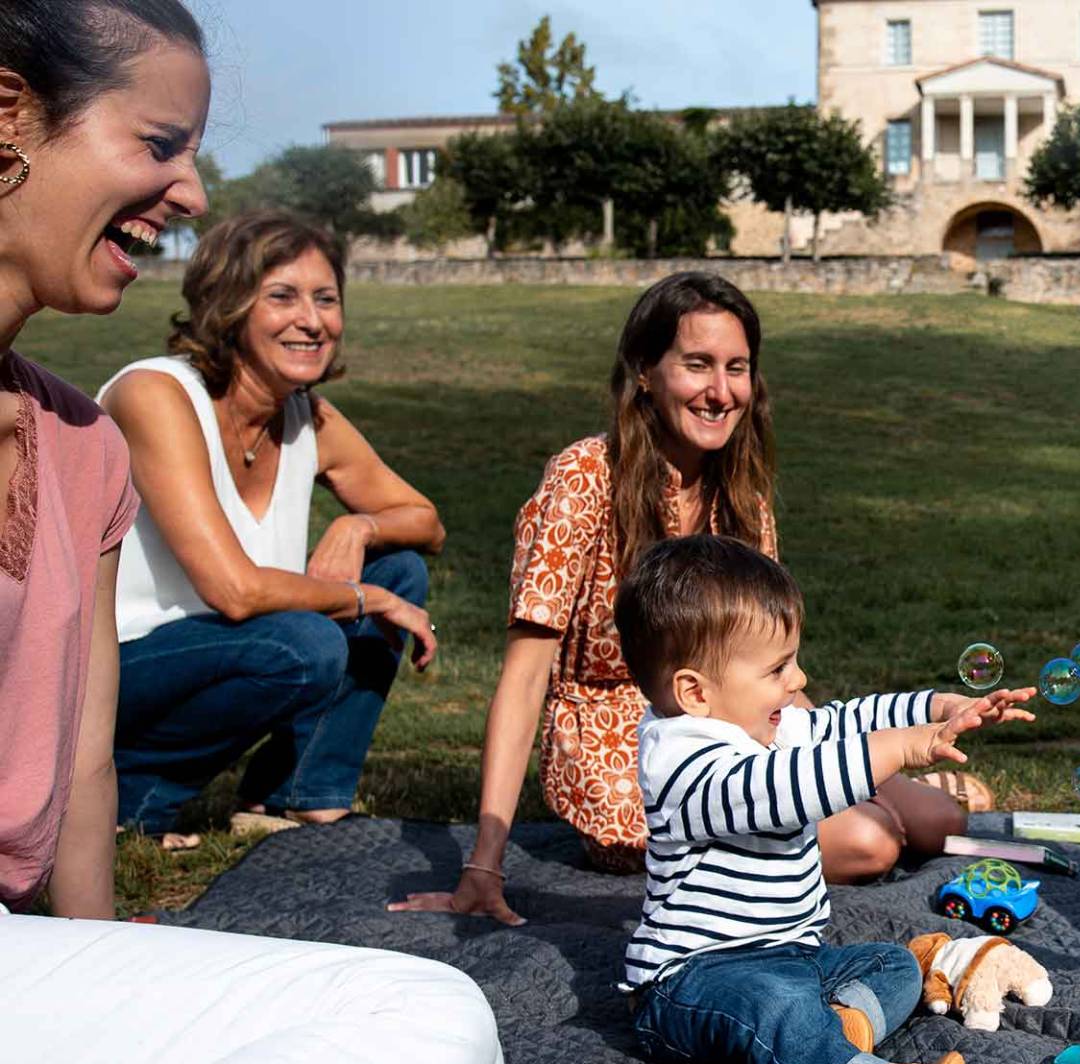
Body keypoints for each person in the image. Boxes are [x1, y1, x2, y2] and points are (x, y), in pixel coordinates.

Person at [0, 5, 504, 1064]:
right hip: (204, 661)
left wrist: (104, 972)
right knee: (418, 1022)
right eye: (160, 141)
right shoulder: (148, 406)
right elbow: (229, 593)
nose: (194, 187)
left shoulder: (71, 445)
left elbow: (76, 765)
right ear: (7, 119)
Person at [389, 272, 975, 928]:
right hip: (629, 747)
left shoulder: (743, 497)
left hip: (740, 721)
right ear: (645, 371)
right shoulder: (585, 476)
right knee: (871, 841)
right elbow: (525, 679)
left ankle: (864, 799)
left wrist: (847, 751)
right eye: (696, 365)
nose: (720, 392)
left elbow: (769, 666)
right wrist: (483, 864)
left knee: (937, 821)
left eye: (737, 369)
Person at [613, 533, 1037, 1064]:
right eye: (778, 669)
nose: (799, 680)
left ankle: (843, 1031)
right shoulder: (683, 765)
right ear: (696, 693)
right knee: (773, 1007)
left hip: (792, 955)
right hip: (693, 981)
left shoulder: (761, 721)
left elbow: (844, 720)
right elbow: (786, 789)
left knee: (894, 964)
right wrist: (906, 749)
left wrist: (940, 706)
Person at [99, 209, 440, 847]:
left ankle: (295, 795)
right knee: (305, 645)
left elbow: (426, 522)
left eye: (326, 299)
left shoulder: (307, 415)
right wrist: (368, 599)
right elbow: (233, 591)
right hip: (115, 664)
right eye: (282, 296)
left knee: (402, 567)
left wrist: (359, 527)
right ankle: (129, 800)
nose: (312, 321)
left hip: (232, 643)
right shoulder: (156, 395)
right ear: (228, 305)